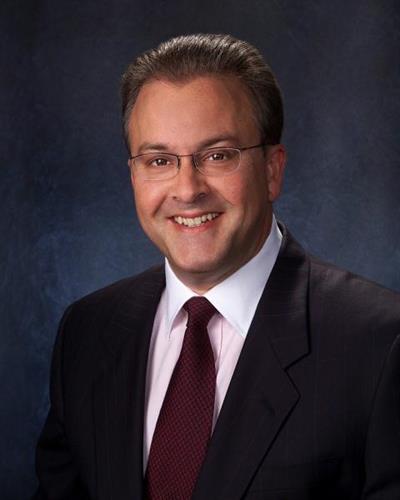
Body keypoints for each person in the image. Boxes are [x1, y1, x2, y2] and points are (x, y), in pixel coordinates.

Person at [34, 34, 400, 500]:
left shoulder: (380, 344)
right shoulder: (87, 334)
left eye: (218, 156)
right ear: (133, 175)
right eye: (159, 160)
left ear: (272, 170)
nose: (187, 190)